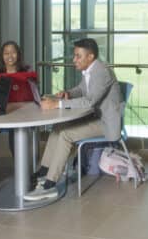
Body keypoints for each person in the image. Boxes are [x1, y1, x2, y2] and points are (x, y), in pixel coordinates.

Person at [24, 38, 123, 201]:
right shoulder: (91, 70)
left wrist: (58, 104)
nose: (74, 60)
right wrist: (67, 93)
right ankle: (44, 171)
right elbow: (82, 89)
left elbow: (89, 101)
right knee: (58, 127)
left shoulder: (101, 72)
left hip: (106, 124)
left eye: (78, 56)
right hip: (95, 117)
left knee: (66, 135)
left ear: (90, 56)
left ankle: (50, 185)